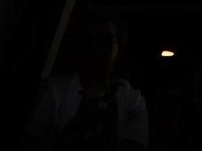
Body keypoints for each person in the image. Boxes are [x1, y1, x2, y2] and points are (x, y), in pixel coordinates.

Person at [25, 14, 151, 150]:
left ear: (118, 47)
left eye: (105, 40)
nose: (97, 49)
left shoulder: (132, 99)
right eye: (88, 41)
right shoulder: (51, 91)